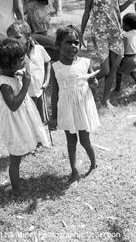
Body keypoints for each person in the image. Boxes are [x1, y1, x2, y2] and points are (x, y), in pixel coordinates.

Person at [0, 37, 49, 195]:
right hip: (14, 125)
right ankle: (16, 189)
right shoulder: (5, 84)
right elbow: (13, 105)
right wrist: (25, 86)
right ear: (10, 63)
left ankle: (16, 184)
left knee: (19, 152)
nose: (24, 60)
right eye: (20, 59)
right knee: (15, 158)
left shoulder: (13, 75)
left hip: (20, 121)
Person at [80, 0, 136, 108]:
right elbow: (86, 13)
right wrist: (82, 33)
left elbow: (117, 10)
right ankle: (83, 83)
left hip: (116, 33)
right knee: (105, 69)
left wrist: (129, 1)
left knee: (113, 68)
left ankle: (105, 100)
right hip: (100, 33)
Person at [51, 25, 100, 183]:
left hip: (82, 107)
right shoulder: (55, 67)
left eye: (76, 42)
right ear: (58, 45)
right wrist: (54, 116)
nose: (73, 45)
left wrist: (93, 82)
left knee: (85, 140)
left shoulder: (85, 63)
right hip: (67, 109)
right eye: (69, 42)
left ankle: (93, 164)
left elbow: (94, 84)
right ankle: (74, 170)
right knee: (71, 141)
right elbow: (54, 92)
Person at [7, 20, 51, 122]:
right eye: (10, 38)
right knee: (28, 120)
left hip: (39, 91)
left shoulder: (39, 49)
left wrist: (47, 81)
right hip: (24, 95)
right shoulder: (14, 55)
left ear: (28, 38)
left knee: (41, 120)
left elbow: (48, 62)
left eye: (17, 37)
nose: (14, 41)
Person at [115, 13, 136, 93]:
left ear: (127, 25)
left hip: (127, 58)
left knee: (118, 72)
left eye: (123, 23)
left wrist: (118, 60)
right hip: (135, 57)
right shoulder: (134, 32)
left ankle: (117, 88)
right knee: (134, 74)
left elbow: (123, 48)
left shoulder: (125, 36)